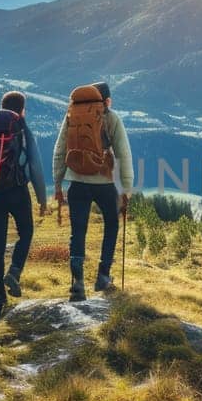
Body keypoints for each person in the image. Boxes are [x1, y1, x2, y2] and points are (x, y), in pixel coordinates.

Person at [53, 81, 134, 301]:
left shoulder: (72, 116)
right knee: (112, 223)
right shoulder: (112, 118)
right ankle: (103, 275)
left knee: (78, 231)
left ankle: (77, 284)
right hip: (105, 184)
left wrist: (58, 182)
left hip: (77, 183)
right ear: (106, 100)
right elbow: (123, 155)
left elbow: (60, 150)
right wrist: (126, 189)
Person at [0, 91, 46, 320]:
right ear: (22, 109)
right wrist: (42, 200)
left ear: (2, 106)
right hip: (17, 190)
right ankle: (14, 271)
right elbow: (35, 165)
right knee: (26, 230)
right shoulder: (22, 128)